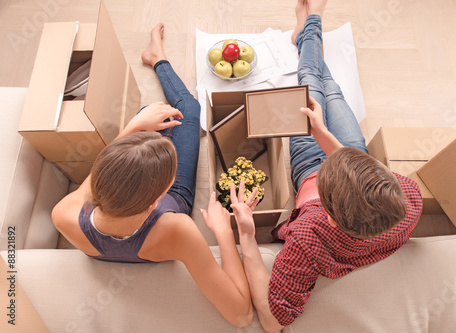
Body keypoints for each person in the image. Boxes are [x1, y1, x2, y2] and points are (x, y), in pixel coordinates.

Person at [229, 1, 424, 331]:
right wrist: (328, 138)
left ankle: (310, 24)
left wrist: (246, 236)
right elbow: (354, 165)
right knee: (331, 89)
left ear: (329, 214)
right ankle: (305, 32)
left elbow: (275, 321)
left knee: (308, 81)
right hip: (354, 152)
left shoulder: (309, 235)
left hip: (307, 167)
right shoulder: (407, 199)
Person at [51, 23, 253, 328]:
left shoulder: (64, 215)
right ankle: (158, 57)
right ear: (159, 196)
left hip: (130, 200)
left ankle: (153, 70)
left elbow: (98, 174)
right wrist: (224, 232)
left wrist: (134, 126)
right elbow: (241, 315)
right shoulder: (178, 229)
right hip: (166, 213)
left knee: (152, 114)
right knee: (187, 108)